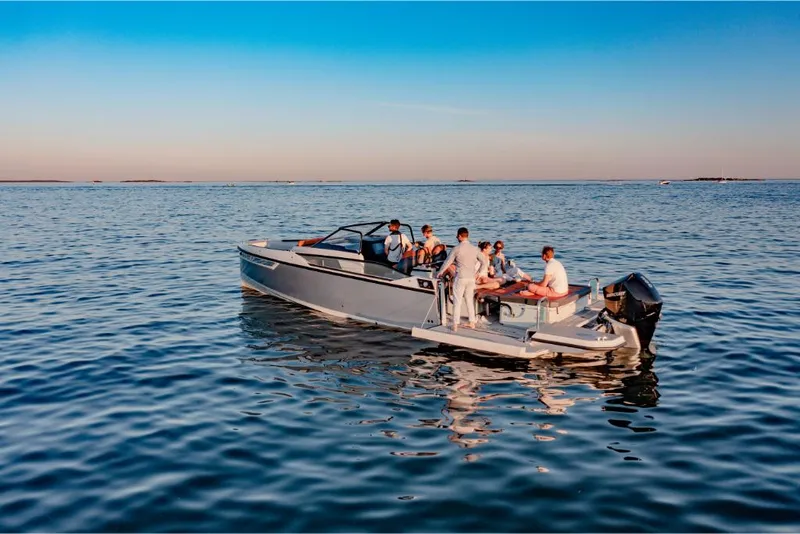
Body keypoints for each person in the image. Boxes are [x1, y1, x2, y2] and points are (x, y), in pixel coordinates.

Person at [437, 227, 481, 331]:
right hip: (471, 278)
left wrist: (440, 272)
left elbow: (447, 262)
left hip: (461, 277)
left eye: (457, 236)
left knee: (457, 301)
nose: (457, 237)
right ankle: (472, 322)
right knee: (469, 300)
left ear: (460, 236)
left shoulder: (456, 248)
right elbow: (483, 261)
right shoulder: (475, 249)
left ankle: (455, 325)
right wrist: (478, 272)